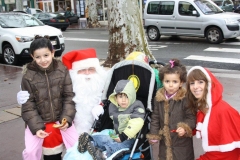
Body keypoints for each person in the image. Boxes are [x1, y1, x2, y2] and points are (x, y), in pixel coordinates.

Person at [17, 48, 107, 136]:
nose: (87, 73)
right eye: (82, 70)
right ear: (74, 73)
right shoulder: (70, 84)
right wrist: (23, 94)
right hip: (71, 127)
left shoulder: (104, 83)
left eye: (91, 69)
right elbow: (49, 92)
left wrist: (101, 105)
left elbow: (115, 98)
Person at [20, 35, 78, 160]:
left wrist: (66, 120)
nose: (43, 60)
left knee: (78, 148)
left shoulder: (62, 70)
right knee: (30, 152)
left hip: (61, 119)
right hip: (39, 120)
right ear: (32, 57)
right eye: (38, 57)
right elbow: (28, 106)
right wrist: (36, 128)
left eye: (46, 55)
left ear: (52, 53)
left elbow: (68, 97)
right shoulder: (28, 76)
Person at [77, 79, 145, 159]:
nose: (123, 100)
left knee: (118, 146)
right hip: (116, 134)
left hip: (129, 138)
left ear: (132, 96)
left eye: (127, 96)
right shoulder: (113, 106)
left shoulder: (136, 106)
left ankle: (103, 154)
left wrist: (124, 136)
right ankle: (90, 141)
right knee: (105, 138)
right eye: (120, 96)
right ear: (115, 97)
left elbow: (137, 122)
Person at [186, 66, 240, 160]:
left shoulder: (223, 111)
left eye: (200, 82)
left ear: (209, 84)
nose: (195, 86)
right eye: (192, 83)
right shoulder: (204, 108)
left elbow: (230, 152)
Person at [146, 59, 196, 160]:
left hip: (181, 143)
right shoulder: (159, 98)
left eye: (175, 81)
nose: (171, 85)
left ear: (181, 83)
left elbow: (191, 117)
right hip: (165, 142)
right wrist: (154, 134)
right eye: (167, 81)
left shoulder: (185, 98)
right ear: (162, 81)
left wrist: (185, 127)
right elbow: (155, 117)